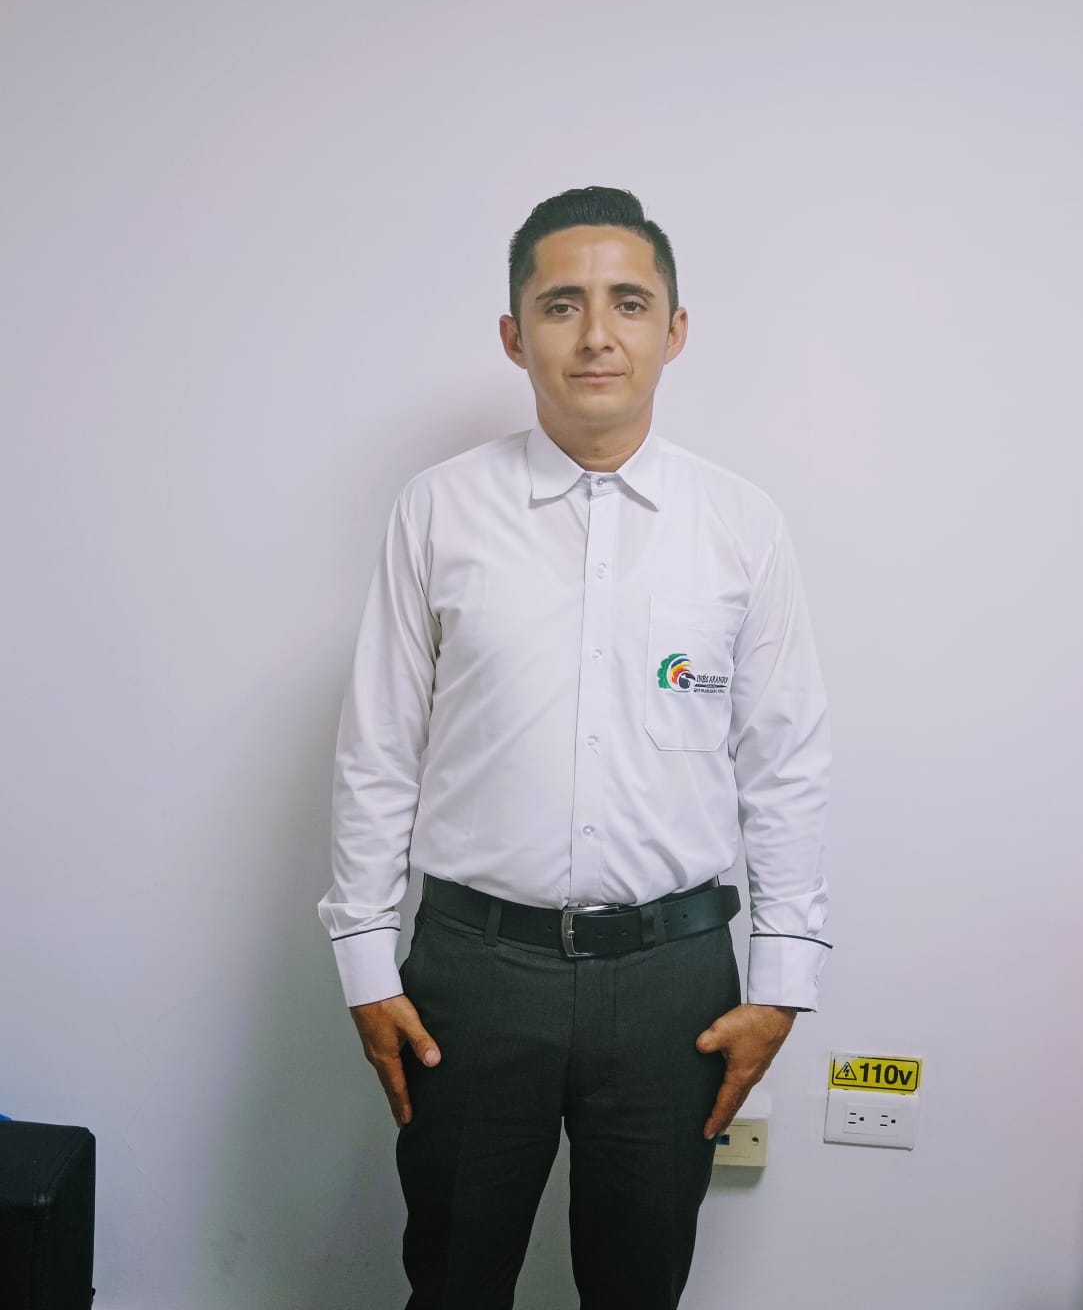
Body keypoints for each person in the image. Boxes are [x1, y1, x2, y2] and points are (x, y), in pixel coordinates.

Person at [318, 185, 831, 1310]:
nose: (597, 333)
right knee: (453, 1280)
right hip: (471, 978)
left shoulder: (741, 526)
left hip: (673, 985)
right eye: (562, 305)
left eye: (628, 303)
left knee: (638, 1287)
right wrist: (364, 960)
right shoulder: (438, 511)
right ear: (515, 335)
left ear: (674, 330)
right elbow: (379, 748)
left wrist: (784, 981)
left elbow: (784, 761)